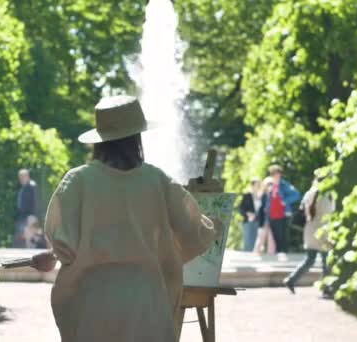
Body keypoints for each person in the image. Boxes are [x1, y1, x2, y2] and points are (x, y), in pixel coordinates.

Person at [29, 95, 222, 342]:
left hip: (94, 305)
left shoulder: (77, 182)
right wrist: (213, 225)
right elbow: (195, 233)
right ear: (136, 137)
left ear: (100, 140)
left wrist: (56, 255)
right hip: (148, 305)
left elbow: (64, 247)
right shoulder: (158, 181)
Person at [283, 172, 335, 295]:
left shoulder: (309, 193)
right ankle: (326, 288)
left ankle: (291, 280)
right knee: (326, 261)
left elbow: (303, 210)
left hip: (309, 230)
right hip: (322, 231)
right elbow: (329, 214)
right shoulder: (327, 195)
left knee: (309, 260)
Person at [265, 165, 301, 255]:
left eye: (278, 174)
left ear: (280, 175)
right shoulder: (269, 185)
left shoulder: (284, 185)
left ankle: (283, 253)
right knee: (274, 236)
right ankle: (277, 255)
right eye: (274, 174)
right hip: (271, 215)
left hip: (282, 214)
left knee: (282, 235)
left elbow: (296, 195)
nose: (276, 176)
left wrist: (285, 201)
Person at [14, 169, 38, 248]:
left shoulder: (31, 186)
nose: (21, 179)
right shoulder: (24, 187)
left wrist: (33, 215)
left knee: (29, 234)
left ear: (27, 176)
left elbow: (35, 202)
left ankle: (31, 250)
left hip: (29, 214)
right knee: (26, 234)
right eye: (20, 177)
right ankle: (30, 249)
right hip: (24, 215)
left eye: (23, 176)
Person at [253, 177, 276, 255]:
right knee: (261, 236)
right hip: (264, 219)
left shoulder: (275, 194)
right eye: (268, 184)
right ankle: (256, 252)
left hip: (272, 219)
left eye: (271, 184)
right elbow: (258, 208)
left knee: (272, 236)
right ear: (265, 185)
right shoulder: (262, 195)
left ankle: (271, 252)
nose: (270, 185)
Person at [238, 178, 263, 251]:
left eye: (259, 185)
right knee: (248, 242)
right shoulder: (247, 195)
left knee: (256, 242)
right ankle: (246, 259)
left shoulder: (262, 196)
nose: (258, 186)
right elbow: (240, 208)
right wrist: (247, 214)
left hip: (259, 222)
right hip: (248, 221)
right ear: (252, 186)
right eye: (256, 185)